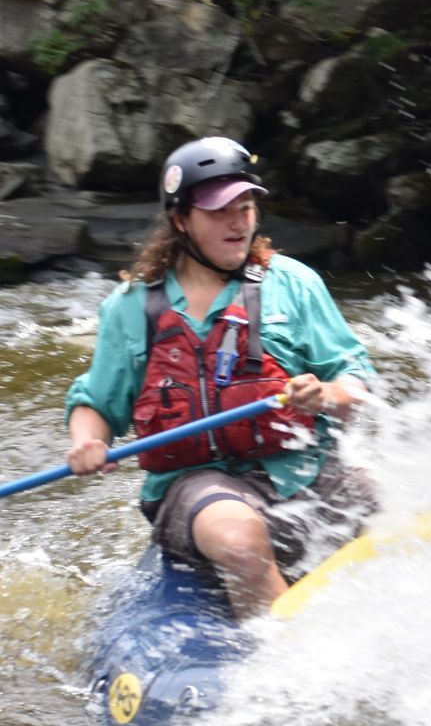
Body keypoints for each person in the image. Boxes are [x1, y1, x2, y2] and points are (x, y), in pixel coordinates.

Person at [64, 137, 377, 618]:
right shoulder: (130, 308)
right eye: (219, 211)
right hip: (197, 485)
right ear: (180, 221)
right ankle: (284, 667)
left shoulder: (293, 283)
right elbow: (97, 404)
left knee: (377, 497)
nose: (238, 222)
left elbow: (356, 381)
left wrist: (326, 394)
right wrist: (87, 441)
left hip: (299, 470)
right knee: (240, 539)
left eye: (246, 206)